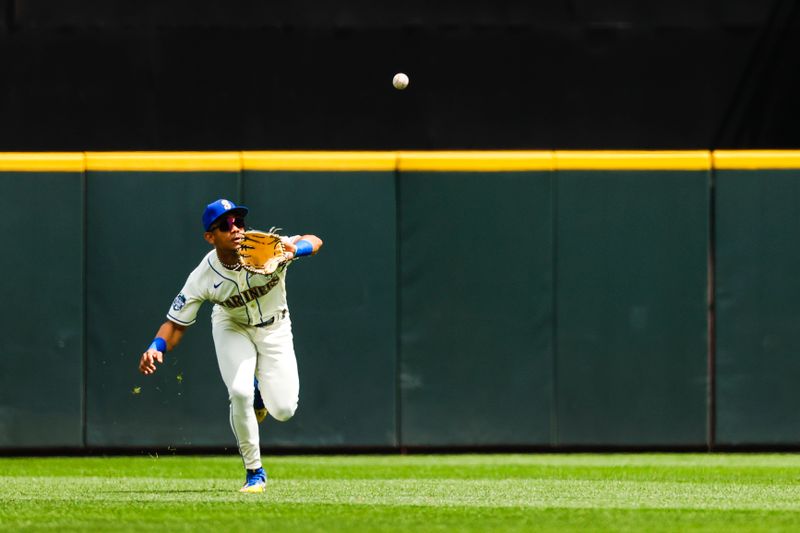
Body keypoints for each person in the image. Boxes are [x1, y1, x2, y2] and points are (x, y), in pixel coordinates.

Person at [138, 198, 323, 493]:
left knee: (285, 409)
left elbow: (315, 240)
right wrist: (156, 345)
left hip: (275, 326)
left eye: (238, 221)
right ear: (210, 237)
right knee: (239, 391)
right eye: (225, 225)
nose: (235, 228)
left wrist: (294, 249)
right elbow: (175, 324)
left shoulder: (266, 245)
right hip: (232, 325)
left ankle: (261, 396)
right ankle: (255, 472)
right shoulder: (203, 276)